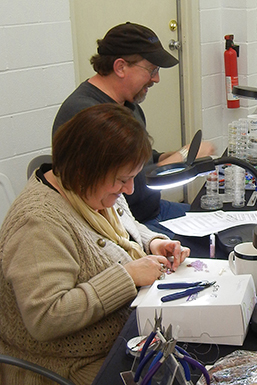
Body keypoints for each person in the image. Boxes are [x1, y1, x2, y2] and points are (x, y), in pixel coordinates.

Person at [0, 104, 190, 385]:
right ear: (84, 170)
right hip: (67, 366)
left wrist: (154, 243)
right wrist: (126, 276)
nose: (129, 189)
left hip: (125, 339)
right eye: (123, 180)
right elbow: (45, 317)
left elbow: (126, 227)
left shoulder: (93, 189)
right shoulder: (39, 223)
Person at [52, 22, 215, 237]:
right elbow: (133, 186)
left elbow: (139, 159)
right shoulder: (89, 115)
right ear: (120, 67)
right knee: (211, 249)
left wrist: (176, 154)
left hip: (153, 211)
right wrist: (182, 157)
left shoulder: (128, 105)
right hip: (125, 225)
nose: (156, 78)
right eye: (152, 69)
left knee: (221, 226)